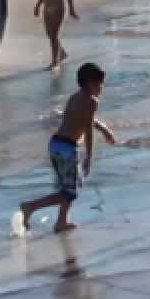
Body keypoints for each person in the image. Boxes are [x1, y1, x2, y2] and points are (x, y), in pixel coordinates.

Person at [19, 63, 116, 233]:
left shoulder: (75, 97)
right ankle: (31, 207)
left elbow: (83, 119)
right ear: (89, 83)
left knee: (69, 189)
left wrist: (105, 130)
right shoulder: (92, 101)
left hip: (56, 144)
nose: (102, 87)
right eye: (99, 83)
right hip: (67, 148)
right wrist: (89, 157)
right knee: (69, 192)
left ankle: (61, 221)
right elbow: (87, 128)